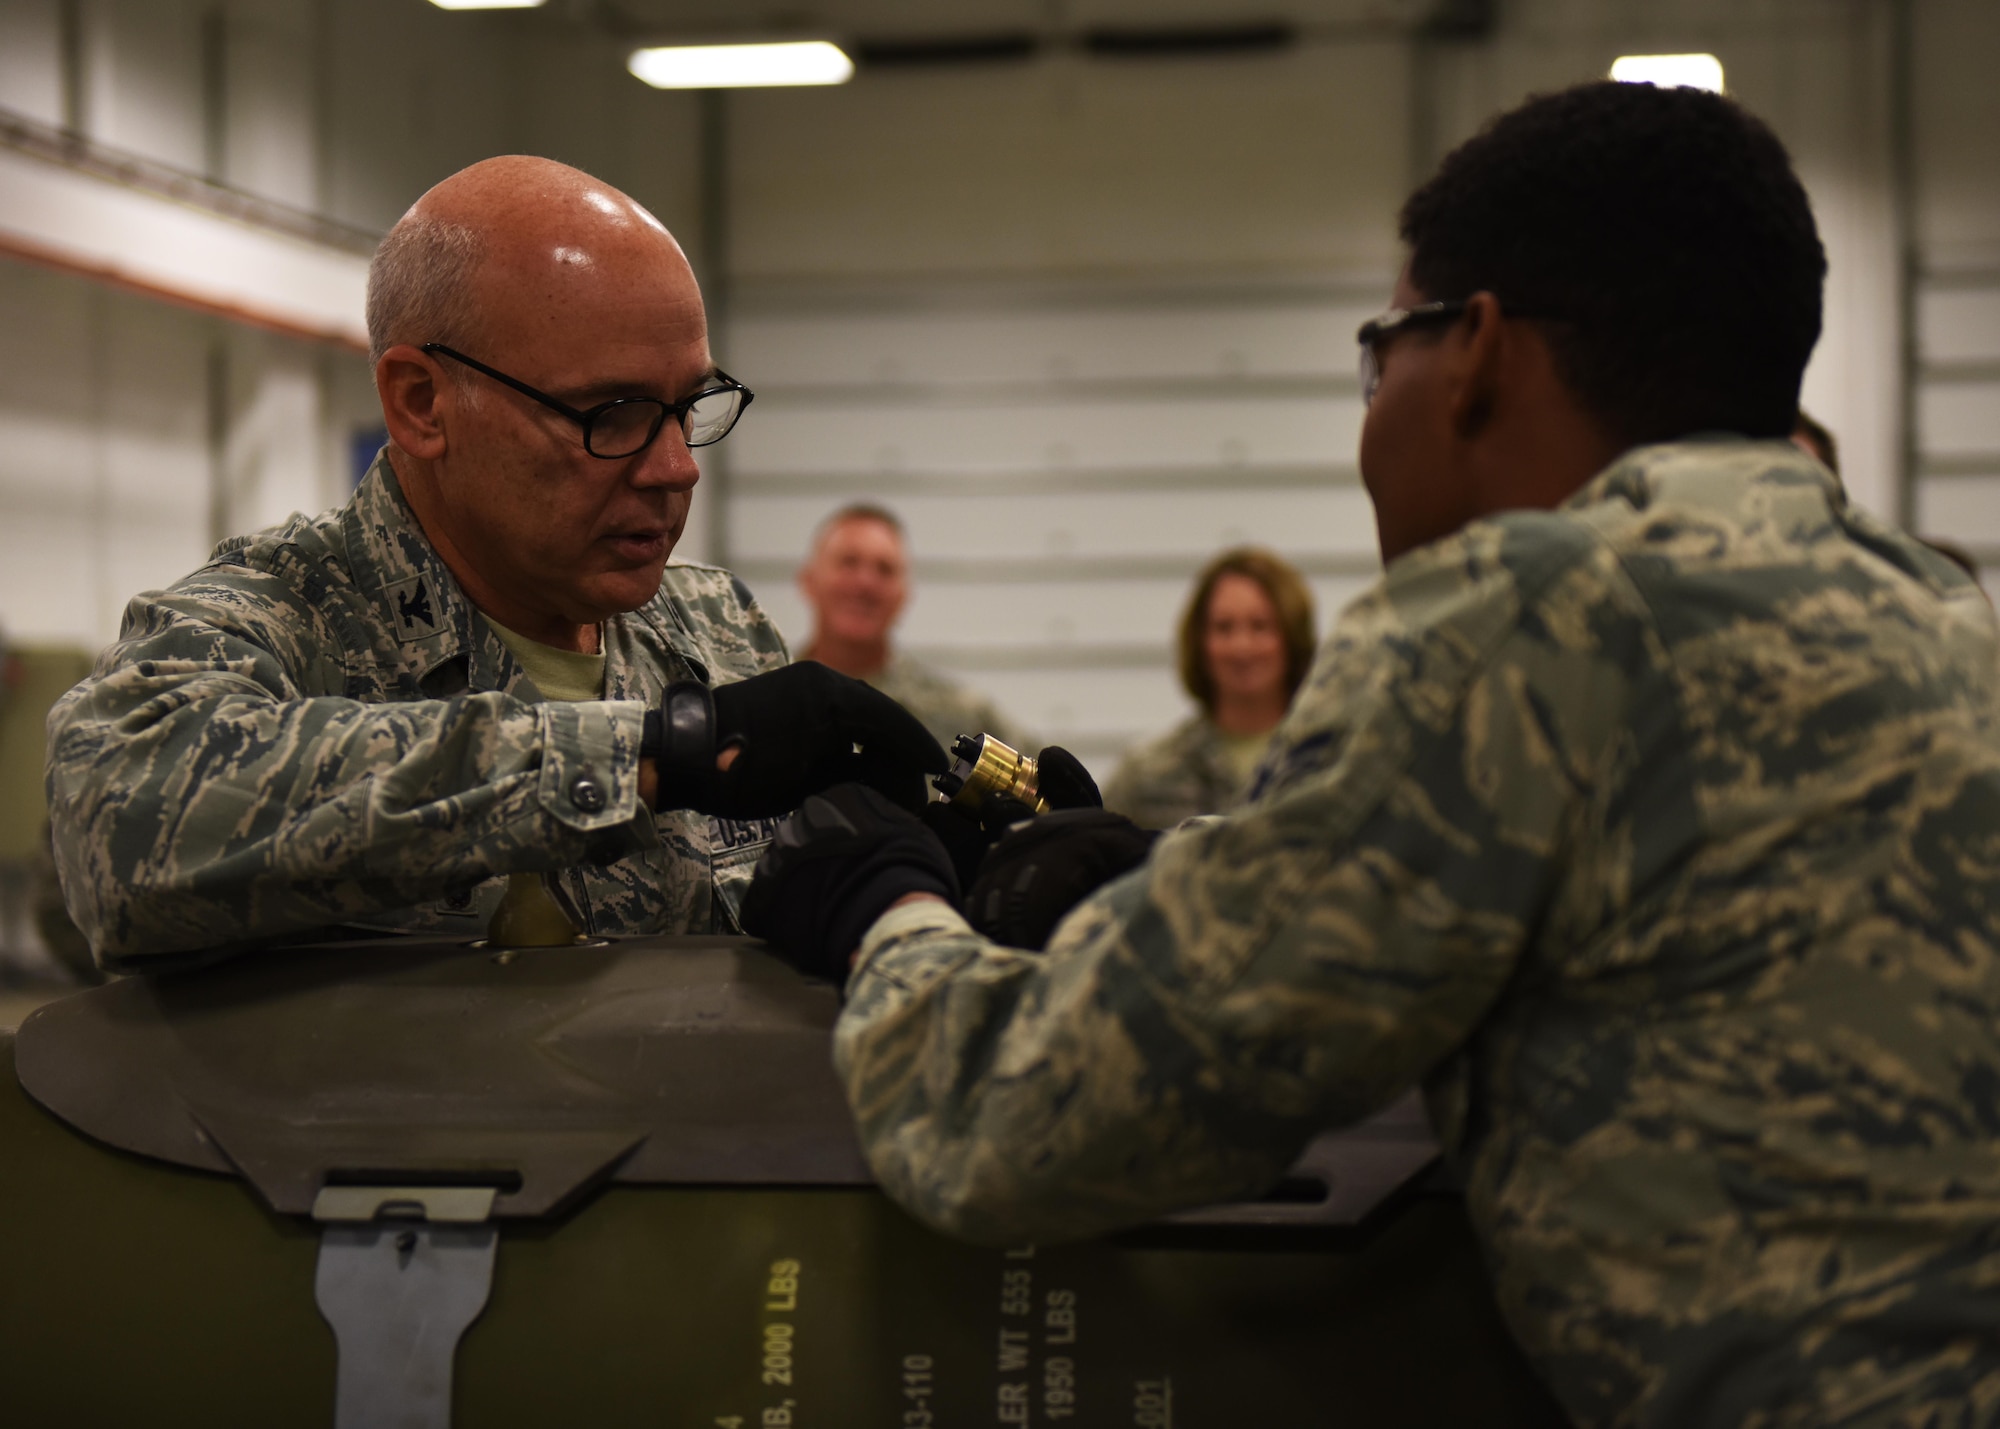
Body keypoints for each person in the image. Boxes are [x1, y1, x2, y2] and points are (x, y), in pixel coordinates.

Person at [744, 82, 2000, 1426]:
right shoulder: (1937, 615)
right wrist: (1182, 870)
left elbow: (1012, 1120)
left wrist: (891, 902)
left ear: (1477, 353)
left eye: (1377, 352)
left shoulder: (1525, 615)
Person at [44, 156, 942, 970]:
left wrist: (957, 881)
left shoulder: (715, 632)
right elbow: (117, 826)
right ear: (422, 401)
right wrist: (653, 755)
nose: (676, 467)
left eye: (689, 406)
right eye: (613, 412)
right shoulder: (283, 621)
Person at [1102, 548, 1315, 828]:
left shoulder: (1331, 762)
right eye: (1224, 628)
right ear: (1200, 642)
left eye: (1260, 626)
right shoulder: (1147, 778)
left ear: (1291, 637)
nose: (1242, 647)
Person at [796, 502, 1029, 749]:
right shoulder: (767, 701)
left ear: (903, 596)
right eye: (848, 563)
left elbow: (1040, 780)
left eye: (884, 570)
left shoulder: (962, 716)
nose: (865, 583)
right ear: (808, 581)